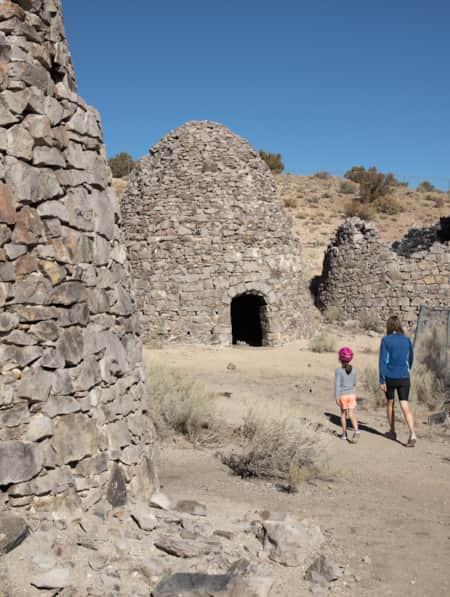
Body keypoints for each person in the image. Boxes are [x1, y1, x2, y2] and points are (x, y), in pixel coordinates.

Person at [379, 315, 416, 447]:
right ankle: (412, 434)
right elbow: (411, 358)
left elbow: (383, 361)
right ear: (399, 325)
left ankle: (392, 431)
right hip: (404, 377)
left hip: (390, 377)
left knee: (390, 403)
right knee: (404, 405)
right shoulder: (407, 340)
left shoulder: (386, 340)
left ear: (389, 326)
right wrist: (406, 370)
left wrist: (381, 379)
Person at [335, 346, 360, 443]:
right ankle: (357, 430)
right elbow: (354, 383)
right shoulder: (354, 370)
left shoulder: (338, 371)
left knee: (343, 414)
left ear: (340, 359)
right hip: (351, 395)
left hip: (343, 395)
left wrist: (336, 397)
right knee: (351, 414)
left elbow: (337, 385)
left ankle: (344, 434)